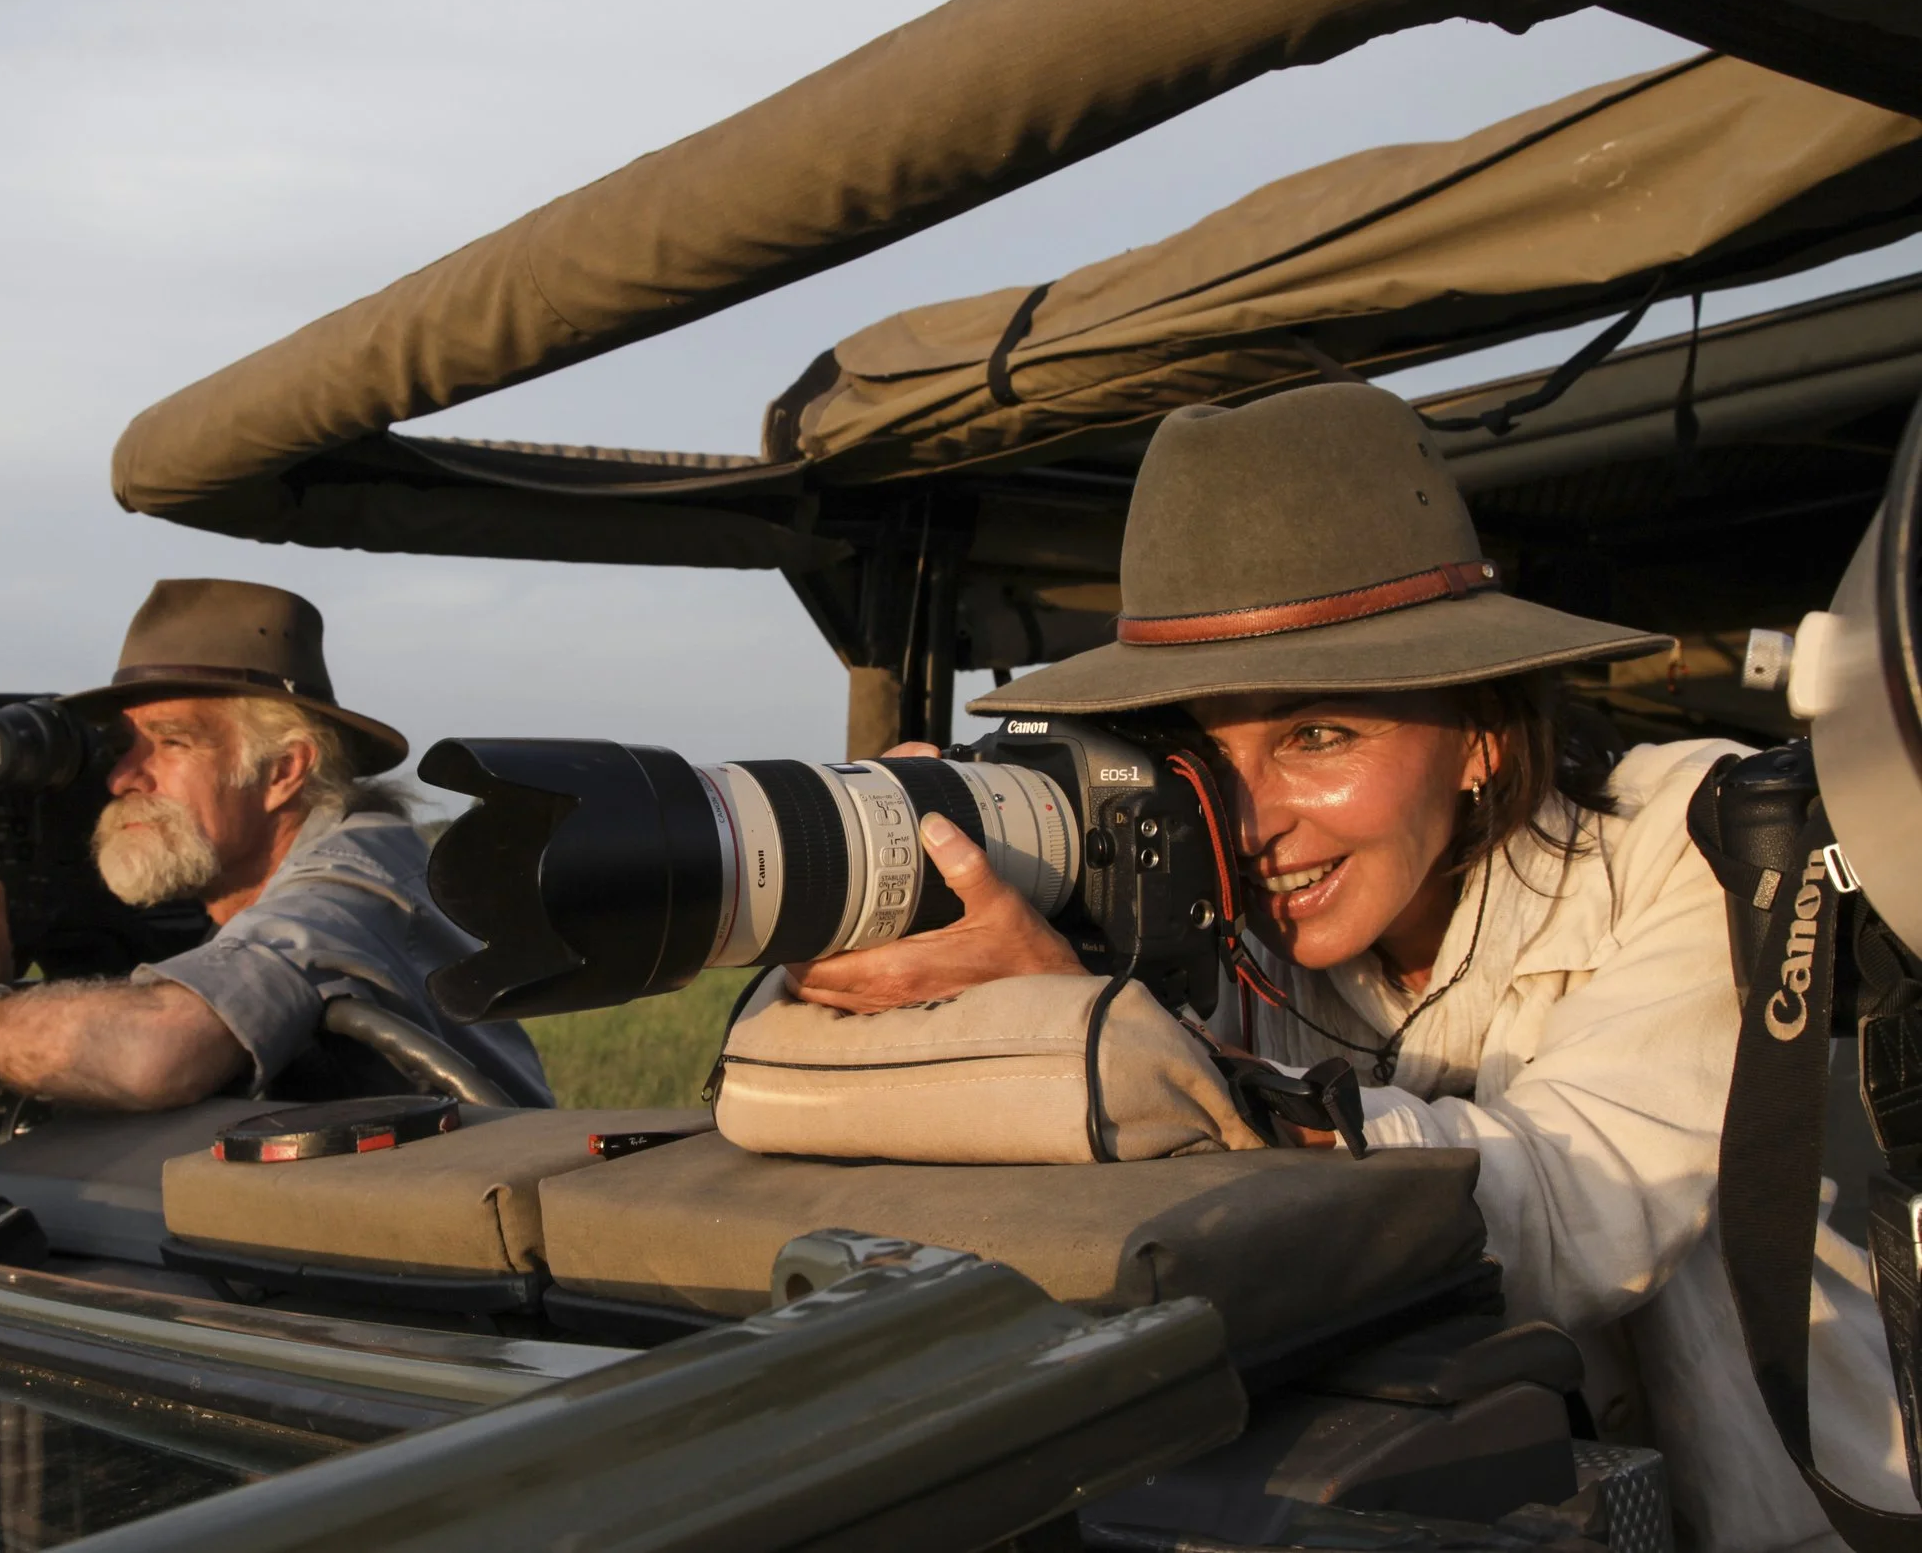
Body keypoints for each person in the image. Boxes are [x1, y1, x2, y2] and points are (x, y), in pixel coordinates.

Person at [791, 384, 1913, 1548]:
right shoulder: (1184, 891)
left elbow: (1580, 1210)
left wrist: (1099, 1036)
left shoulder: (1688, 837)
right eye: (1199, 754)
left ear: (1479, 732)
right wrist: (913, 894)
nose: (1250, 820)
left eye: (1317, 735)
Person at [0, 577, 552, 1113]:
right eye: (123, 748)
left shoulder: (351, 883)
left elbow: (156, 1054)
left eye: (172, 742)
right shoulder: (307, 870)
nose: (122, 778)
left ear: (282, 771)